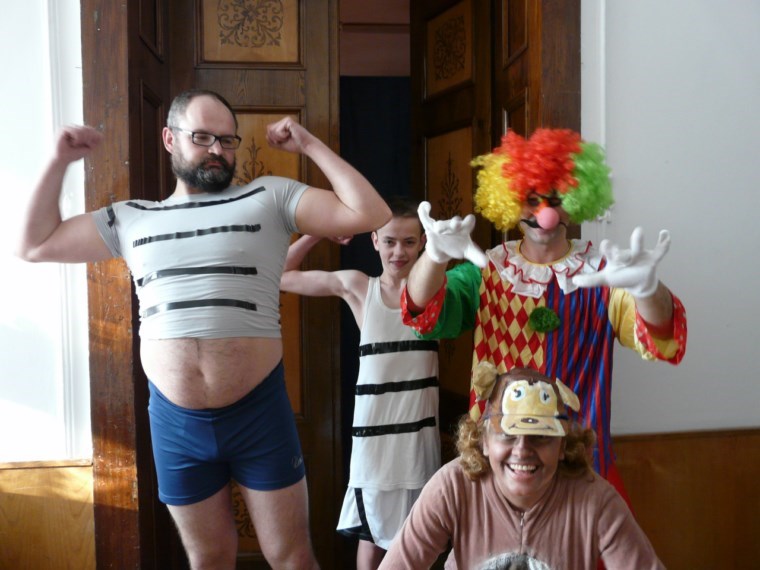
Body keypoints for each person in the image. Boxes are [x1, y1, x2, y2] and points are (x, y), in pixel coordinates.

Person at [16, 88, 391, 570]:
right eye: (202, 137)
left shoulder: (270, 197)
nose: (217, 150)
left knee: (293, 558)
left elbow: (371, 213)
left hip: (259, 414)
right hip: (176, 424)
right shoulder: (131, 218)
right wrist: (58, 161)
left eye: (227, 140)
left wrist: (308, 144)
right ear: (170, 139)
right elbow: (34, 244)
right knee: (208, 558)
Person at [401, 128, 687, 502]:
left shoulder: (604, 273)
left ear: (576, 200)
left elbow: (660, 333)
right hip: (499, 464)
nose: (544, 214)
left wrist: (648, 288)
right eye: (531, 200)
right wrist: (434, 256)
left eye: (555, 200)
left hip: (578, 467)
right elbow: (423, 312)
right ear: (509, 201)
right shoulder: (488, 270)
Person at [280, 197, 440, 569]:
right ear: (375, 241)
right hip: (374, 441)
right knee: (371, 538)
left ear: (423, 243)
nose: (399, 252)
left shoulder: (437, 290)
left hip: (418, 438)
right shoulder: (359, 287)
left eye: (409, 242)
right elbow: (282, 274)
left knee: (419, 540)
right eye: (390, 241)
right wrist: (318, 233)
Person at [379, 364, 666, 569]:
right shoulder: (452, 487)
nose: (522, 450)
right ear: (483, 441)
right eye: (507, 434)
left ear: (562, 445)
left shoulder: (596, 500)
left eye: (540, 436)